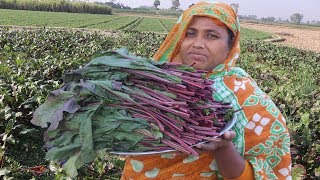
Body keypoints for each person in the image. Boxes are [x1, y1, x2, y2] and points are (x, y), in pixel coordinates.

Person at [121, 1, 292, 179]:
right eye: (190, 33)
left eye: (211, 36)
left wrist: (224, 147)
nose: (198, 44)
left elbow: (256, 174)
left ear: (230, 45)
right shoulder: (154, 84)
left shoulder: (246, 97)